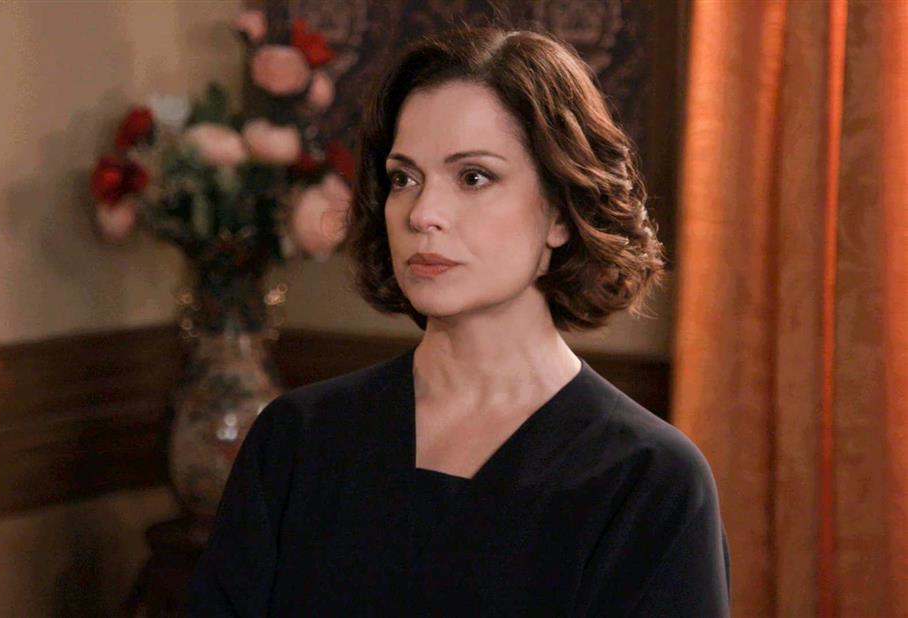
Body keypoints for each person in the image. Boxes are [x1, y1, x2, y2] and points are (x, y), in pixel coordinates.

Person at [188, 26, 730, 617]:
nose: (423, 213)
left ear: (560, 211)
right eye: (404, 178)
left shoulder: (649, 481)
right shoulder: (297, 439)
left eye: (473, 177)